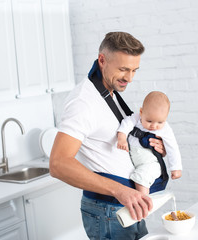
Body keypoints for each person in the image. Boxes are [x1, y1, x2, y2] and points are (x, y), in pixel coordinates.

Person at [49, 32, 167, 239]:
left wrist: (151, 149)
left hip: (127, 204)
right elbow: (58, 163)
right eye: (123, 69)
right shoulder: (83, 102)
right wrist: (119, 190)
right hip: (108, 210)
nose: (129, 78)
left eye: (134, 70)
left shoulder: (109, 94)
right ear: (102, 60)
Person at [117, 91, 182, 195]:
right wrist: (122, 137)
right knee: (135, 177)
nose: (154, 126)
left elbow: (172, 147)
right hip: (134, 161)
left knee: (142, 177)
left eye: (160, 122)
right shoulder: (137, 118)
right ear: (141, 112)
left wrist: (176, 168)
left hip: (150, 163)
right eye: (149, 121)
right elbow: (126, 123)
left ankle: (144, 200)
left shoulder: (165, 129)